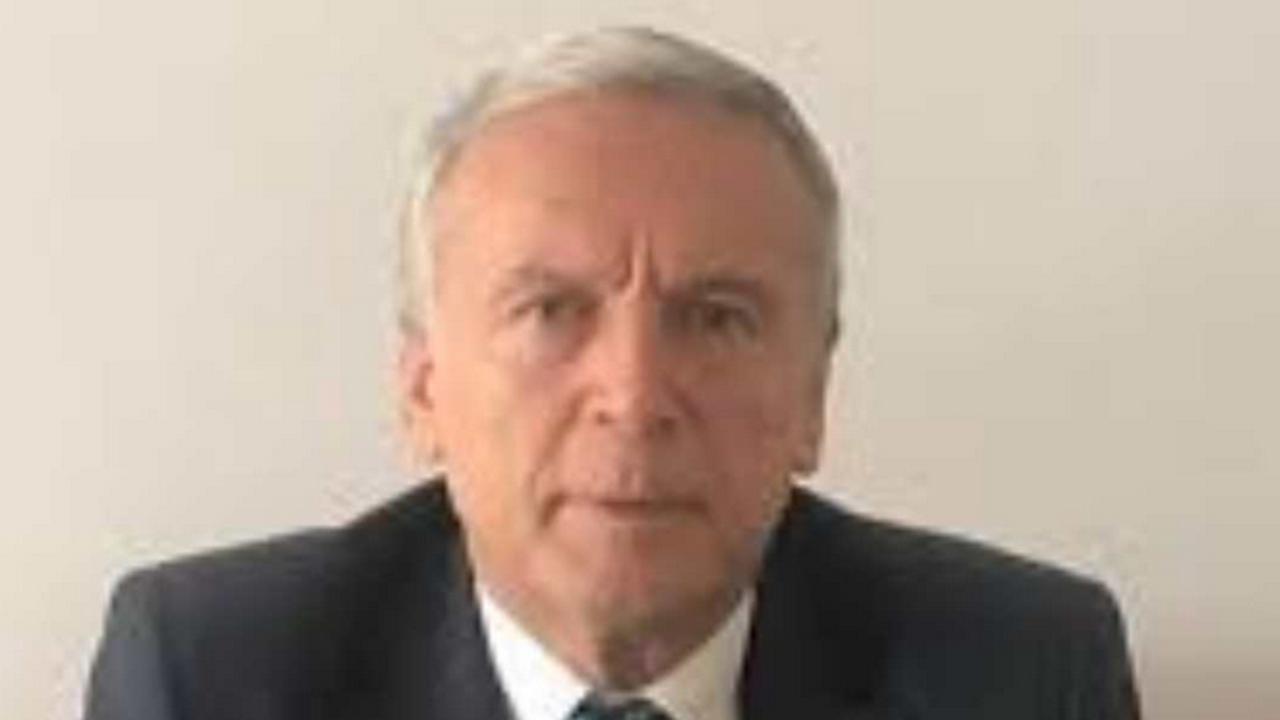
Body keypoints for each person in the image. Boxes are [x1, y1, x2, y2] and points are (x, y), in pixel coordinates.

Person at [84, 26, 1141, 720]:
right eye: (550, 312)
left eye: (717, 318)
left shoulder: (1024, 677)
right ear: (423, 391)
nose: (633, 397)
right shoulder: (210, 677)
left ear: (812, 399)